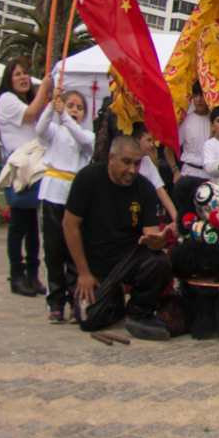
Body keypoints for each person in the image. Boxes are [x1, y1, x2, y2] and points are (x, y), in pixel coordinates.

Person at [63, 135, 174, 341]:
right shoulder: (88, 178)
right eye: (126, 162)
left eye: (137, 163)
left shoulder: (145, 188)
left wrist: (158, 241)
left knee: (158, 262)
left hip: (126, 259)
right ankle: (111, 298)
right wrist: (84, 273)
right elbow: (69, 225)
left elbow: (151, 234)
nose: (132, 170)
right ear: (111, 157)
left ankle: (139, 313)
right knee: (90, 320)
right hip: (93, 263)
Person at [0, 57, 52, 298]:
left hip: (33, 167)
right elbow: (31, 114)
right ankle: (17, 275)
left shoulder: (23, 100)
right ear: (8, 79)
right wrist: (44, 89)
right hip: (20, 168)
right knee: (19, 223)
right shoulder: (7, 100)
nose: (23, 77)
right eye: (17, 74)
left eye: (25, 73)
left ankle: (31, 274)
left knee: (31, 225)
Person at [36, 87, 93, 320]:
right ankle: (55, 302)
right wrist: (51, 107)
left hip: (73, 198)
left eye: (79, 108)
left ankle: (75, 300)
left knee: (74, 252)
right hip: (51, 193)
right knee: (53, 251)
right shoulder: (54, 131)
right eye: (70, 105)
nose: (74, 110)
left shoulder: (87, 135)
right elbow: (39, 129)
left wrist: (65, 116)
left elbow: (81, 140)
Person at [130, 123, 178, 225]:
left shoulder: (147, 161)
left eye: (152, 141)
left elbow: (161, 192)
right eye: (148, 140)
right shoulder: (125, 164)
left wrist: (176, 220)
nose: (152, 145)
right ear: (136, 141)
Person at [173, 81, 211, 181]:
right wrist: (175, 171)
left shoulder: (216, 120)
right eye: (195, 96)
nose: (199, 100)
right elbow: (168, 148)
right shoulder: (186, 120)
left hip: (210, 175)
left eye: (202, 95)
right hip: (189, 173)